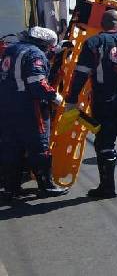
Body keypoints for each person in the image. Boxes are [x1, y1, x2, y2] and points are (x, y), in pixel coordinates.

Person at [66, 10, 117, 198]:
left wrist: (72, 99)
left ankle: (107, 188)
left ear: (102, 24)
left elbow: (81, 74)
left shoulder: (93, 43)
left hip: (104, 100)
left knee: (105, 143)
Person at [0, 27, 68, 199]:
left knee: (12, 148)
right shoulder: (35, 54)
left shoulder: (11, 49)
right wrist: (56, 97)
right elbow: (37, 84)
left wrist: (58, 50)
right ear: (43, 43)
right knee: (39, 147)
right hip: (29, 108)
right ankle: (46, 186)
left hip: (7, 106)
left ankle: (11, 188)